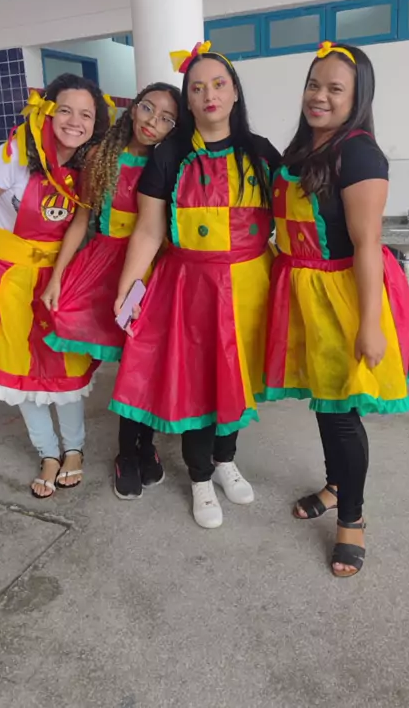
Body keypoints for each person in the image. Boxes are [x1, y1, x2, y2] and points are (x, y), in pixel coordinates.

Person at [262, 41, 409, 576]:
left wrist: (370, 326)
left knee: (340, 414)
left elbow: (366, 244)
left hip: (342, 296)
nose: (320, 96)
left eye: (335, 89)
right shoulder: (299, 150)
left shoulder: (359, 154)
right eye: (314, 84)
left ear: (357, 98)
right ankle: (336, 485)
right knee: (326, 403)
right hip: (303, 291)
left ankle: (352, 518)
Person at [110, 42, 282, 528]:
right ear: (188, 99)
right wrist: (128, 287)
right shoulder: (170, 154)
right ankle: (200, 478)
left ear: (235, 92)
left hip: (250, 287)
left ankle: (226, 460)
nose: (209, 95)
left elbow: (293, 214)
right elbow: (149, 230)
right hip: (189, 289)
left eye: (219, 84)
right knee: (199, 383)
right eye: (198, 87)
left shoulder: (262, 152)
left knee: (237, 379)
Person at [0, 74, 112, 499]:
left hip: (60, 274)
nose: (75, 122)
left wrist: (56, 273)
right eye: (66, 110)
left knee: (65, 363)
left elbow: (80, 221)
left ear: (96, 123)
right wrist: (6, 255)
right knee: (20, 368)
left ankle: (74, 448)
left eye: (86, 115)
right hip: (9, 277)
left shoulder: (91, 161)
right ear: (47, 112)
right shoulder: (14, 155)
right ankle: (48, 453)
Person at [41, 82, 181, 499]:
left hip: (150, 271)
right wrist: (56, 277)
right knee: (113, 359)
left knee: (144, 364)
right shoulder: (101, 157)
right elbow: (81, 221)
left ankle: (144, 447)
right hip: (102, 266)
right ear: (133, 109)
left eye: (166, 118)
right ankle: (123, 452)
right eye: (147, 109)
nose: (152, 122)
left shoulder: (171, 164)